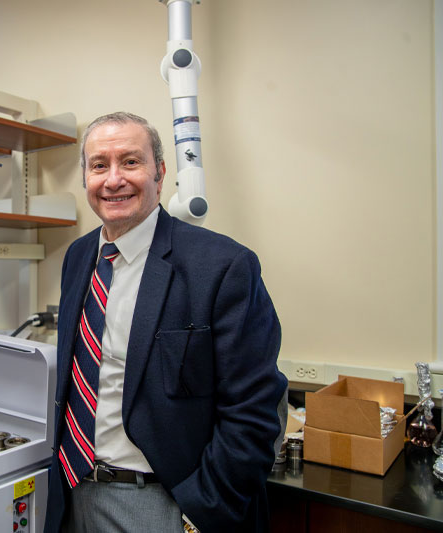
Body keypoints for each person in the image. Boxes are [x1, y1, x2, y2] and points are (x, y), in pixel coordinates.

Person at [44, 112, 287, 532]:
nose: (113, 179)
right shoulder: (78, 257)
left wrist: (198, 514)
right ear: (85, 177)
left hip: (160, 502)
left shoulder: (223, 266)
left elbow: (254, 412)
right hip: (70, 491)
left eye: (131, 162)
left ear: (159, 171)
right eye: (99, 165)